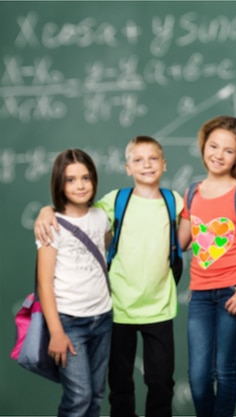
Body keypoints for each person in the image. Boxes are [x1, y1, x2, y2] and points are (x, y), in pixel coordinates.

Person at [35, 136, 182, 417]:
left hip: (131, 311)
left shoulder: (168, 202)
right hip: (100, 313)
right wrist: (45, 211)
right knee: (100, 391)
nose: (80, 185)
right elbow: (47, 277)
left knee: (137, 387)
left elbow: (184, 236)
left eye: (86, 178)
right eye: (138, 160)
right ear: (127, 167)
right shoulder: (106, 205)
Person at [178, 115, 236, 417]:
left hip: (235, 291)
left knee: (224, 371)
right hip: (201, 296)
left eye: (228, 150)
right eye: (213, 146)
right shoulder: (192, 192)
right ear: (204, 146)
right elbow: (181, 241)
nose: (218, 154)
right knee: (199, 378)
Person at [37, 149, 113, 417]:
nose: (80, 185)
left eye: (85, 178)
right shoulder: (51, 225)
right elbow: (45, 283)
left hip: (102, 317)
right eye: (70, 180)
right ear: (59, 183)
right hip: (70, 322)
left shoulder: (101, 217)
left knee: (96, 395)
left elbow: (103, 251)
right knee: (79, 397)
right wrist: (56, 332)